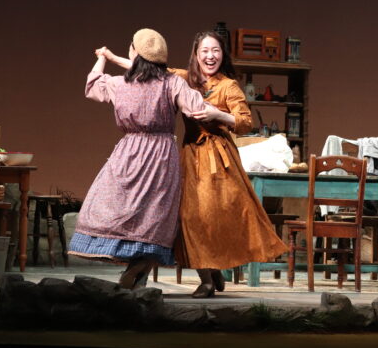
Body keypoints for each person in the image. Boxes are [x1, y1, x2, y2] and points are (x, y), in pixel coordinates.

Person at [100, 31, 287, 298]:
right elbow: (148, 69)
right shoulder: (184, 78)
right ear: (196, 55)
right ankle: (208, 276)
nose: (210, 56)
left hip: (219, 158)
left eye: (215, 51)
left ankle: (211, 273)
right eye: (204, 51)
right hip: (190, 155)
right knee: (188, 216)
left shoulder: (228, 86)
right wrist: (111, 58)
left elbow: (245, 122)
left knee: (211, 217)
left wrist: (217, 114)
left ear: (222, 55)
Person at [69, 29, 219, 289]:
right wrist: (221, 113)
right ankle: (140, 267)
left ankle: (135, 269)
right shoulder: (172, 83)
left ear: (134, 53)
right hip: (161, 154)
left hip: (128, 151)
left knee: (120, 204)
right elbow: (196, 108)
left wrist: (102, 58)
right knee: (156, 213)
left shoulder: (120, 84)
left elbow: (93, 86)